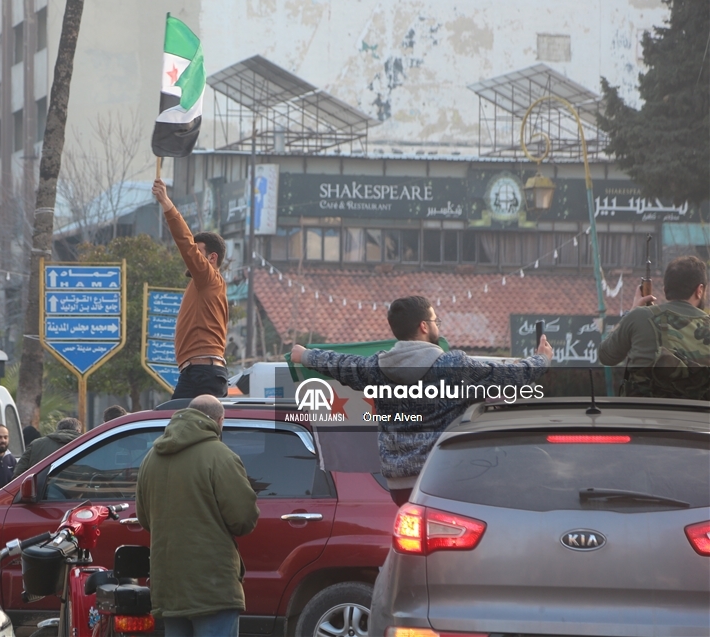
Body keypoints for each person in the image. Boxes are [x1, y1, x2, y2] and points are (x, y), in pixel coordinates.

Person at [292, 295, 552, 506]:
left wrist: (304, 356)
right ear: (424, 326)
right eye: (435, 319)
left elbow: (340, 364)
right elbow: (509, 376)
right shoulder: (453, 365)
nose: (437, 324)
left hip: (399, 487)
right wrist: (542, 360)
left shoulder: (374, 368)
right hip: (443, 479)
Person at [136, 395, 259, 637]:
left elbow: (144, 518)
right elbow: (243, 519)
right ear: (219, 420)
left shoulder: (151, 458)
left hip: (169, 585)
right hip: (212, 585)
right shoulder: (220, 456)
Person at [152, 178, 230, 399]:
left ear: (211, 258)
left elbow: (185, 243)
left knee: (177, 431)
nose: (190, 257)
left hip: (202, 372)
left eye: (198, 252)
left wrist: (166, 203)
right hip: (202, 372)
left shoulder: (208, 277)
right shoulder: (206, 285)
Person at [599, 255, 709, 399]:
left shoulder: (639, 317)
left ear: (665, 290)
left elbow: (606, 356)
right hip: (697, 419)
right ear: (699, 290)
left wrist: (632, 311)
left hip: (643, 416)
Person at [13, 417, 82, 477]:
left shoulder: (36, 445)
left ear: (58, 429)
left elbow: (18, 474)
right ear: (78, 430)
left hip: (40, 491)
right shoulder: (84, 444)